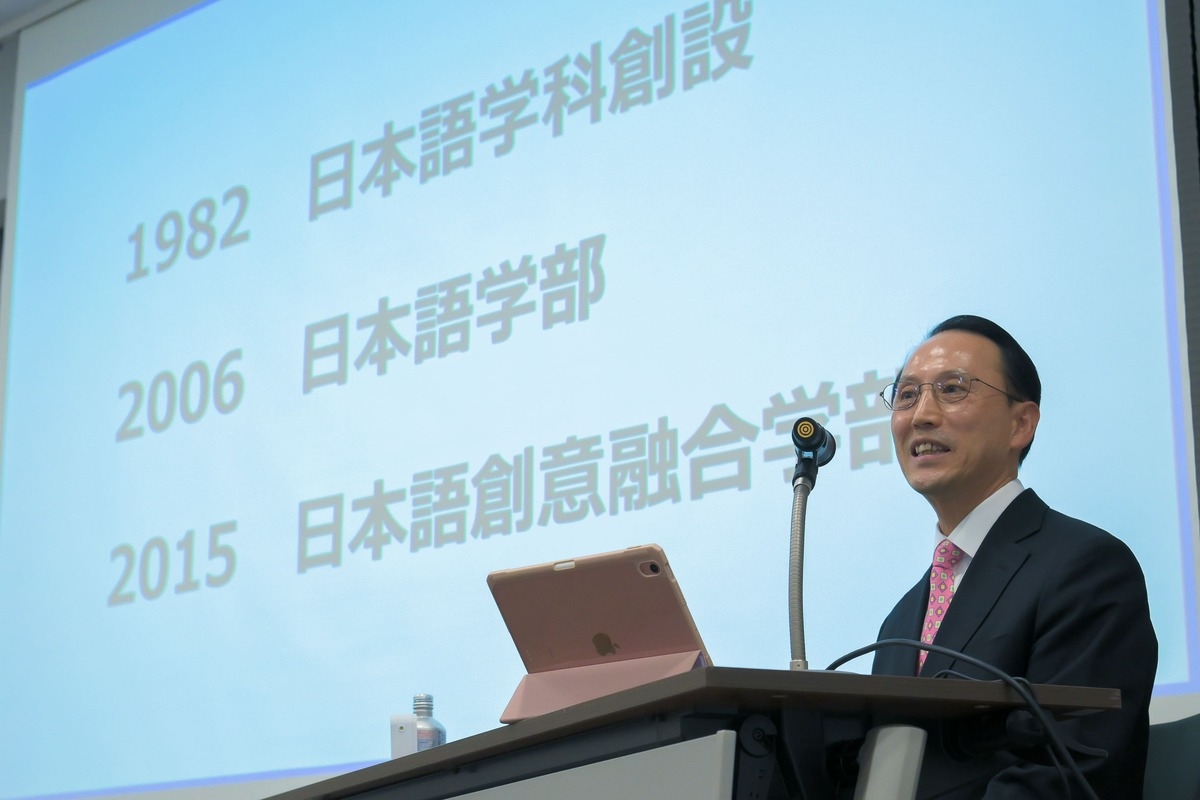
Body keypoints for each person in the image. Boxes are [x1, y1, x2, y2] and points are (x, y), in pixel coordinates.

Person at [872, 314, 1158, 799]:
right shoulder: (900, 621)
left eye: (953, 389)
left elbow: (1071, 770)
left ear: (1021, 424)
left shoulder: (1087, 569)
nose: (921, 414)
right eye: (906, 395)